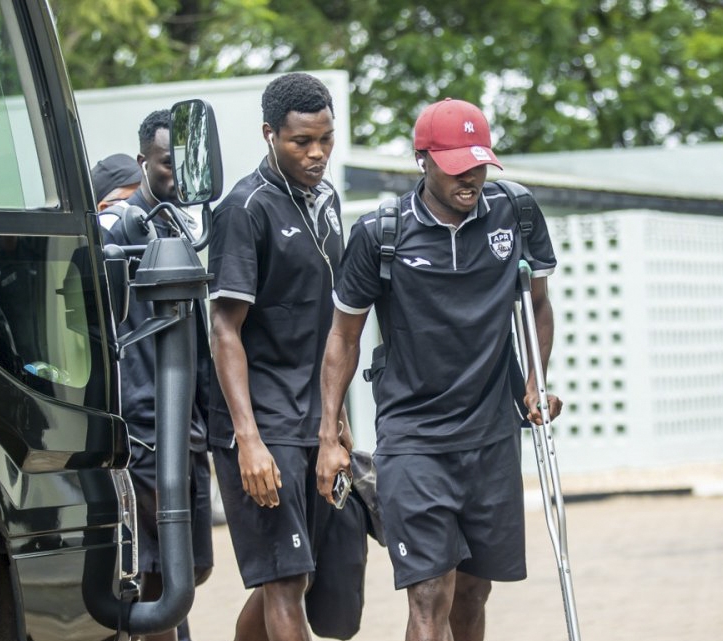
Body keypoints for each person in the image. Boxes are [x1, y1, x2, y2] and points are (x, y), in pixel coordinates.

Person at [316, 98, 564, 641]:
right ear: (421, 160)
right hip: (413, 437)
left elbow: (537, 304)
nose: (470, 176)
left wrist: (534, 380)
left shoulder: (515, 213)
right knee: (430, 593)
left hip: (492, 434)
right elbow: (343, 334)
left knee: (474, 592)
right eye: (455, 165)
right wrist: (328, 433)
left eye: (478, 162)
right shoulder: (382, 233)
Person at [207, 72, 348, 641]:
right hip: (261, 422)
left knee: (296, 576)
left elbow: (331, 324)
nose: (317, 154)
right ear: (270, 135)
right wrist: (248, 441)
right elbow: (223, 330)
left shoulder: (328, 199)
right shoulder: (244, 208)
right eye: (301, 143)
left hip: (310, 421)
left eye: (326, 139)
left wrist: (333, 424)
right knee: (286, 579)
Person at [103, 109, 213, 641]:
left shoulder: (177, 225)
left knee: (192, 571)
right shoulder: (120, 226)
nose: (177, 176)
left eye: (185, 166)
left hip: (184, 428)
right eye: (168, 164)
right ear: (144, 160)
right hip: (145, 431)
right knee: (157, 580)